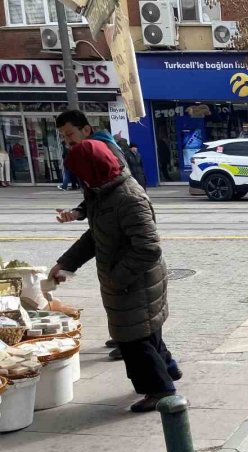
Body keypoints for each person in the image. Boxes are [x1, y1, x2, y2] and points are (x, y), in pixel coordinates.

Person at [49, 140, 180, 412]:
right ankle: (169, 369)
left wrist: (116, 279)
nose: (79, 179)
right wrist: (66, 262)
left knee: (133, 341)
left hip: (134, 282)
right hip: (129, 282)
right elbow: (97, 235)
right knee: (147, 332)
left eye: (81, 173)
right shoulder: (102, 192)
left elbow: (148, 248)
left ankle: (160, 391)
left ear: (93, 169)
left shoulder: (127, 197)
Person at [55, 109, 132, 361]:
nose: (69, 142)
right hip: (114, 255)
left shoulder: (103, 156)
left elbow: (147, 246)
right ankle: (127, 338)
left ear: (86, 130)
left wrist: (118, 277)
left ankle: (129, 341)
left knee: (140, 329)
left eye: (70, 135)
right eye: (64, 138)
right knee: (135, 321)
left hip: (125, 258)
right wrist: (77, 212)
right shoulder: (93, 165)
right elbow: (97, 208)